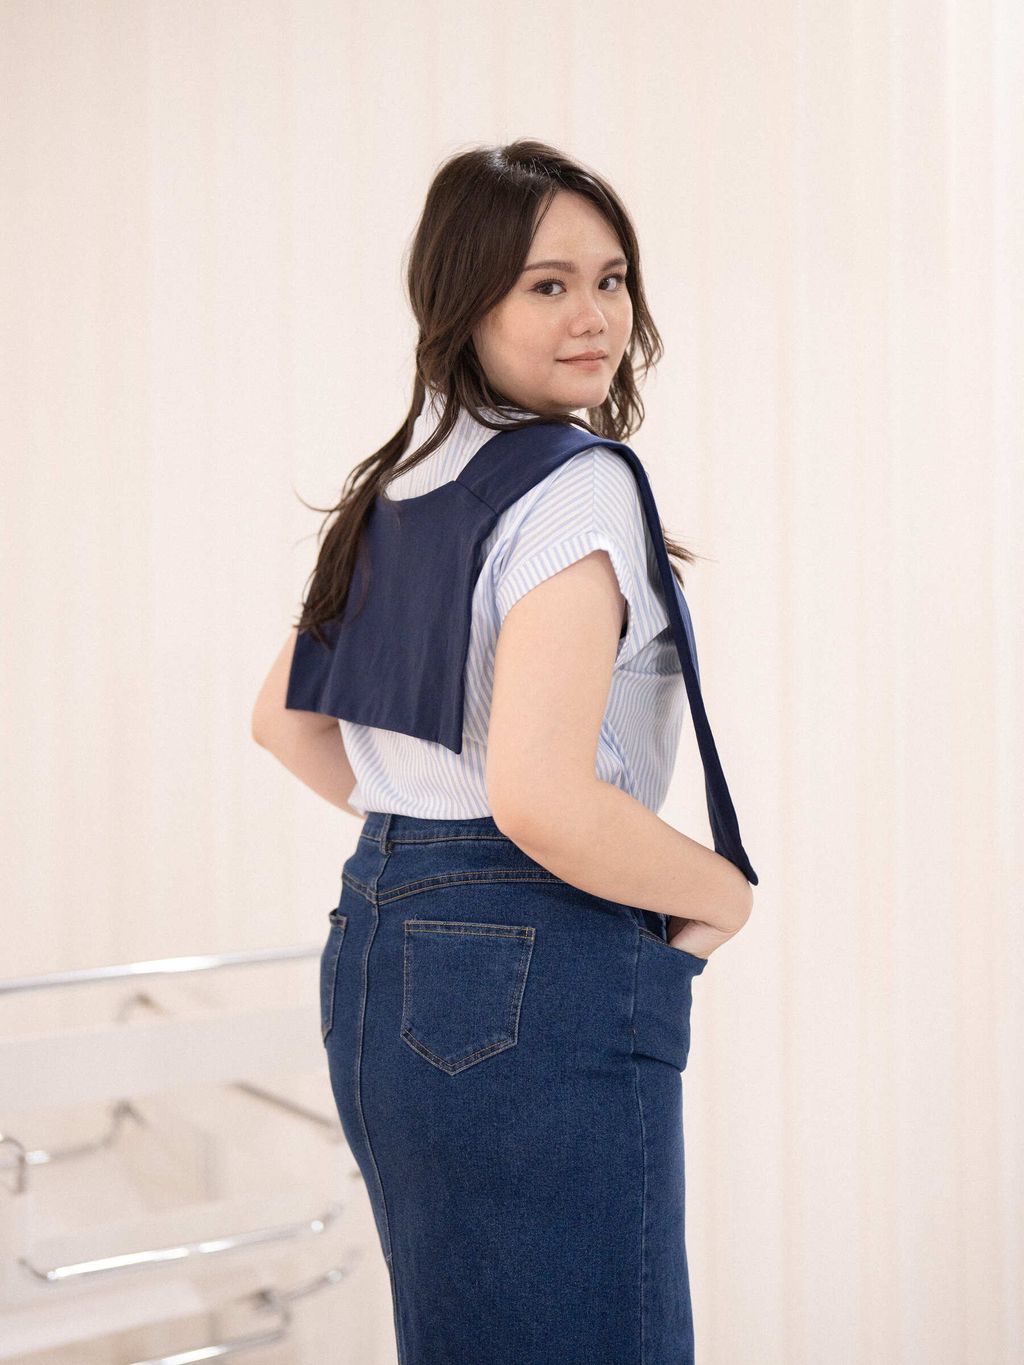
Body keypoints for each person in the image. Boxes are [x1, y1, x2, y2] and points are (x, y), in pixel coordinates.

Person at [252, 139, 757, 1365]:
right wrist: (718, 894)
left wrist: (428, 857)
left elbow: (285, 722)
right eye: (547, 284)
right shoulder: (573, 489)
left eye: (612, 277)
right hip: (542, 953)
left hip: (378, 942)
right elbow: (539, 800)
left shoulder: (403, 481)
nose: (596, 317)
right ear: (463, 298)